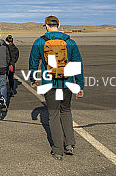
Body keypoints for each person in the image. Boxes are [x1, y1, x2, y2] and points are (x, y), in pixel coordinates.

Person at [29, 16, 84, 160]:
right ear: (58, 25)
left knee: (53, 115)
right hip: (66, 84)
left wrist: (33, 78)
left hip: (50, 84)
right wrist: (79, 86)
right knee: (66, 111)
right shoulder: (70, 42)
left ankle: (58, 150)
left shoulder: (40, 42)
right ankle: (70, 144)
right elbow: (77, 65)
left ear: (46, 26)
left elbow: (33, 62)